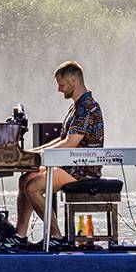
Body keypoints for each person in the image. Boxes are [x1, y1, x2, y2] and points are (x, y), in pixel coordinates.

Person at [14, 60, 104, 243]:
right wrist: (33, 152)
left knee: (33, 186)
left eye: (61, 84)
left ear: (73, 79)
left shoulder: (86, 107)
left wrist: (39, 156)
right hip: (71, 165)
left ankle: (55, 235)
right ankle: (20, 236)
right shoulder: (76, 106)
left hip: (83, 168)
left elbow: (71, 143)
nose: (59, 89)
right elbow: (63, 139)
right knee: (24, 179)